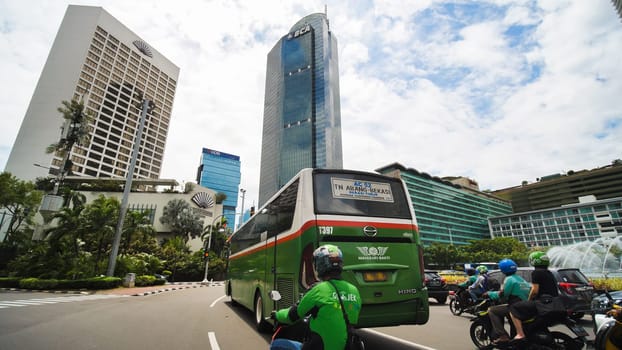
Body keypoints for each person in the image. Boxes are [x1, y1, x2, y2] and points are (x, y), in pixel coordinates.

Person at [273, 244, 362, 350]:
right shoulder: (354, 290)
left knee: (277, 344)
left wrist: (277, 315)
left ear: (320, 265)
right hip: (348, 347)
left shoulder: (319, 289)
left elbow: (292, 315)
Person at [509, 251, 559, 341]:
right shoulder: (549, 273)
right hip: (554, 303)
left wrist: (528, 300)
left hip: (542, 303)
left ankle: (520, 334)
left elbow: (535, 291)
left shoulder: (536, 272)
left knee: (513, 308)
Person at [485, 258, 531, 344]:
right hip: (525, 306)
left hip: (516, 307)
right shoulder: (520, 279)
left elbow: (504, 294)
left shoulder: (509, 279)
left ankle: (503, 336)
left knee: (492, 310)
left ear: (502, 270)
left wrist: (490, 294)